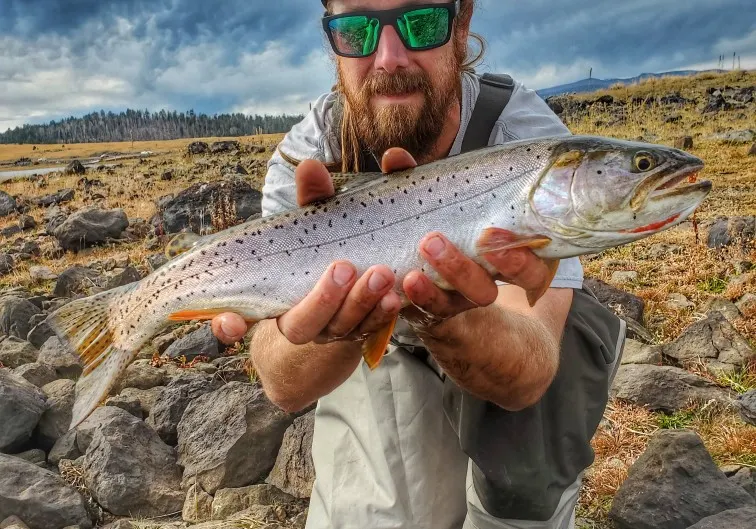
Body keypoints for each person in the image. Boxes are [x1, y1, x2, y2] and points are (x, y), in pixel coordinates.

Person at [210, 1, 625, 528]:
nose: (388, 58)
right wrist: (326, 332)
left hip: (504, 330)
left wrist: (446, 314)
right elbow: (283, 384)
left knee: (520, 496)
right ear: (331, 41)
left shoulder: (529, 142)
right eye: (355, 31)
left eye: (421, 22)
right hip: (375, 344)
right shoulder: (310, 152)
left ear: (462, 23)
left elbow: (530, 371)